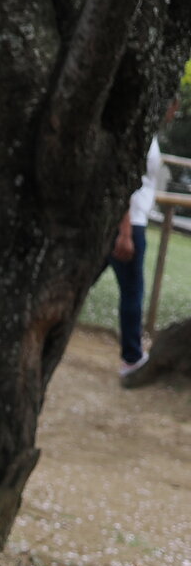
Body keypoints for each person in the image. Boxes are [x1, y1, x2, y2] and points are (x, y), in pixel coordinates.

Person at [105, 125, 168, 378]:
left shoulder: (145, 133)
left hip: (124, 222)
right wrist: (126, 230)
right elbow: (123, 183)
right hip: (130, 225)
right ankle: (132, 357)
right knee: (133, 291)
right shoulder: (138, 133)